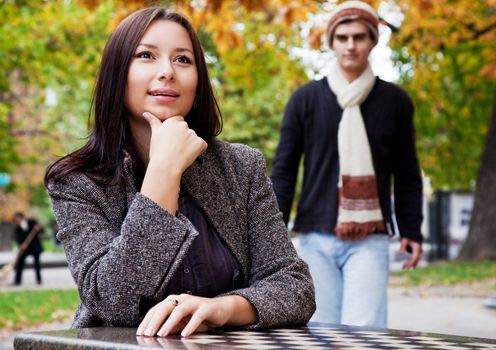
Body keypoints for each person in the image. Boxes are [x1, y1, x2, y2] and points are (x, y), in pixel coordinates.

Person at [44, 7, 315, 337]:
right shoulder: (76, 180)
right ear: (117, 74)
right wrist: (164, 169)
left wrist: (221, 309)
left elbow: (294, 286)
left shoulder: (241, 168)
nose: (167, 72)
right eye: (146, 55)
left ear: (198, 81)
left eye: (183, 60)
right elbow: (114, 301)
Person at [270, 0, 423, 328]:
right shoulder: (305, 99)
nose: (350, 45)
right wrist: (272, 231)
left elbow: (407, 172)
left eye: (359, 37)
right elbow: (284, 169)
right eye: (342, 37)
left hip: (370, 238)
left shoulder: (395, 102)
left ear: (373, 40)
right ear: (331, 42)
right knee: (320, 333)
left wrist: (412, 228)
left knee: (365, 336)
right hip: (314, 235)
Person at [12, 211, 43, 285]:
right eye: (15, 219)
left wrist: (38, 229)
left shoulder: (32, 222)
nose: (16, 220)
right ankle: (17, 281)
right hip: (25, 249)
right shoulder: (17, 228)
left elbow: (41, 231)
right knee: (20, 263)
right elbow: (18, 239)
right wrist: (21, 244)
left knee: (37, 264)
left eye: (17, 218)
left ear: (21, 217)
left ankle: (39, 280)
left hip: (35, 247)